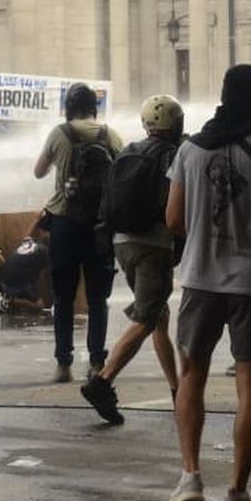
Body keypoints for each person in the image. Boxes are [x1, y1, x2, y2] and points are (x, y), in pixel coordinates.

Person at [164, 65, 251, 501]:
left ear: (223, 95)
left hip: (200, 278)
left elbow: (173, 220)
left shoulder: (190, 150)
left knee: (191, 376)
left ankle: (189, 476)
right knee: (250, 386)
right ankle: (237, 493)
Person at [82, 95, 186, 425]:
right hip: (153, 245)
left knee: (158, 316)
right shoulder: (173, 155)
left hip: (122, 243)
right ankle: (102, 381)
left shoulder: (128, 151)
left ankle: (177, 390)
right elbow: (174, 205)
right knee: (146, 319)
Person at [33, 82, 123, 383]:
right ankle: (97, 363)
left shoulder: (59, 133)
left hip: (65, 223)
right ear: (93, 108)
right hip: (99, 226)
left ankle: (63, 364)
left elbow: (38, 171)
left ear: (68, 108)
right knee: (98, 298)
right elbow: (123, 172)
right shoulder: (110, 135)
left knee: (63, 297)